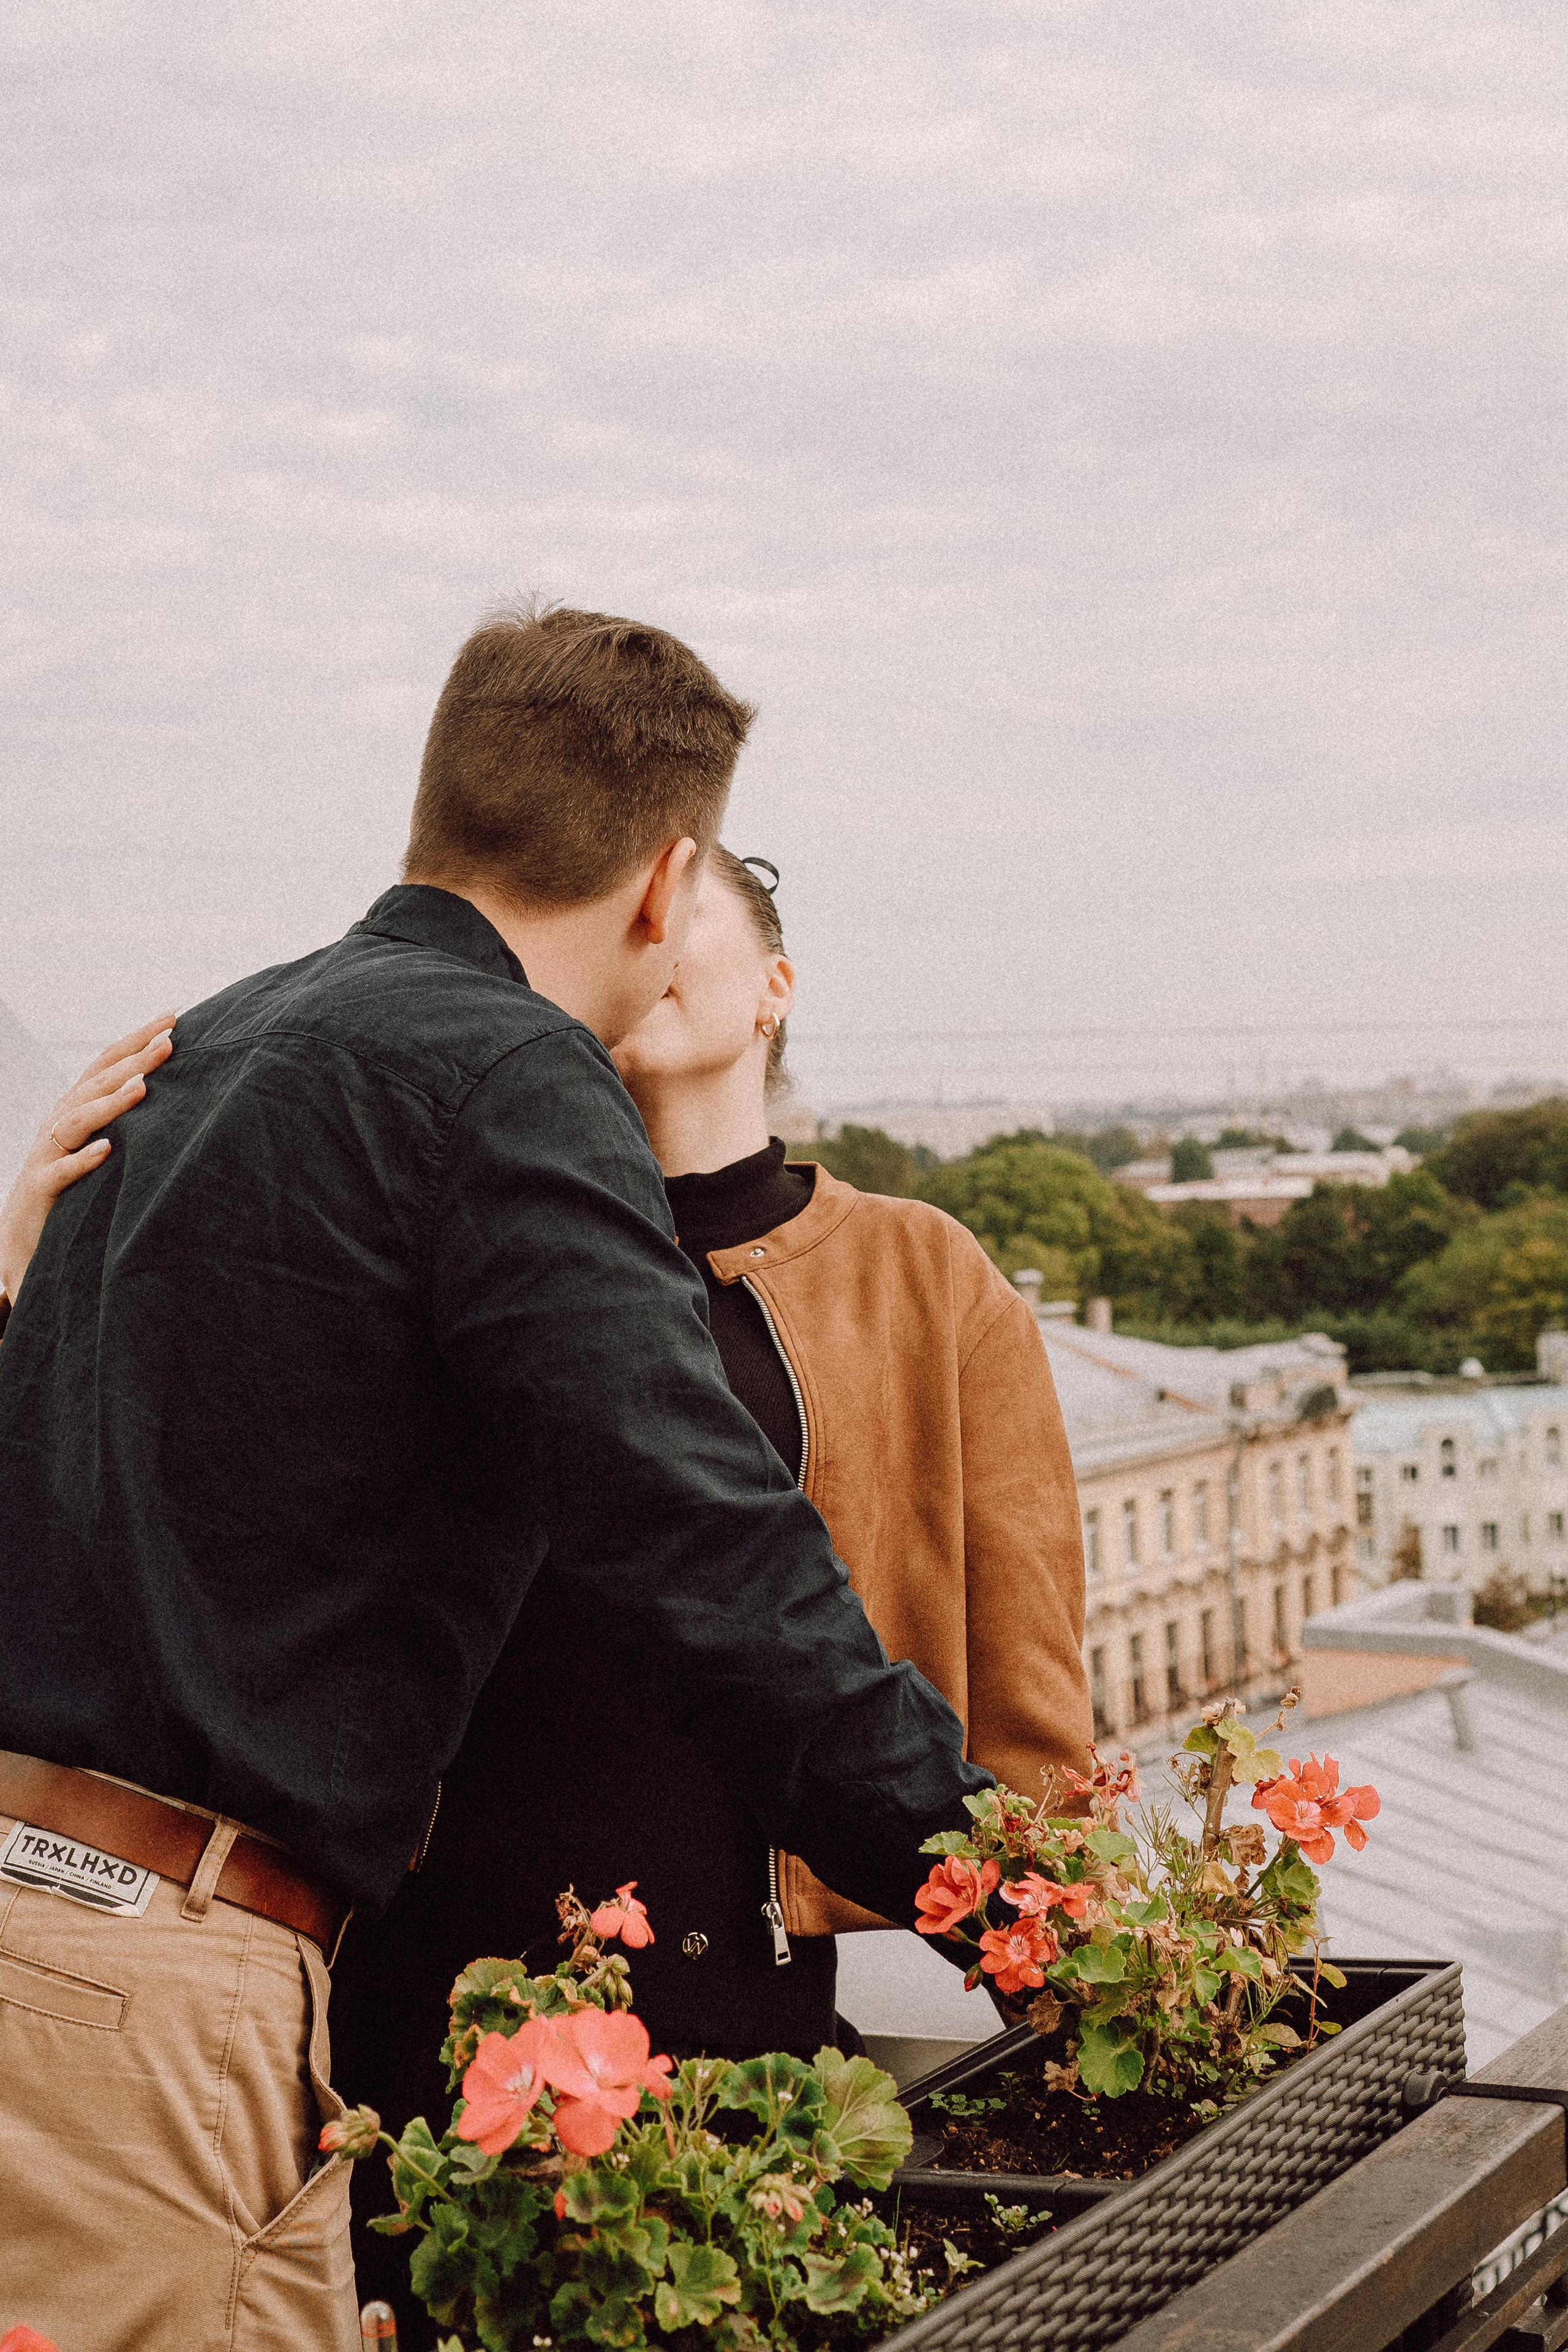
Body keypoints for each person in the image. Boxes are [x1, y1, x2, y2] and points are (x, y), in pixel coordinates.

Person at [0, 606, 992, 2352]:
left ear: (435, 812)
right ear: (664, 879)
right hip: (161, 1971)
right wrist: (994, 1882)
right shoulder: (505, 1072)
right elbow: (702, 1543)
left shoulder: (208, 1046)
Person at [332, 846, 1091, 2332]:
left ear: (776, 991)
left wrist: (1081, 2002)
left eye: (682, 918)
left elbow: (1025, 1681)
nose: (647, 945)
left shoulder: (924, 1276)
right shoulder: (443, 1258)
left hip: (742, 2002)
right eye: (621, 925)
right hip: (440, 1989)